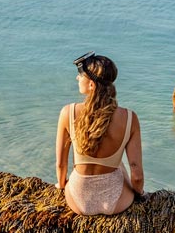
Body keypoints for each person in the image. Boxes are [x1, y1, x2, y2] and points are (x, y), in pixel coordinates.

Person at [55, 52, 144, 215]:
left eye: (80, 75)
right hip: (117, 202)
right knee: (120, 165)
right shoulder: (130, 118)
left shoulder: (68, 112)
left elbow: (61, 165)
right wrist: (139, 193)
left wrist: (61, 185)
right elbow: (136, 172)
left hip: (78, 199)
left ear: (91, 85)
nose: (77, 78)